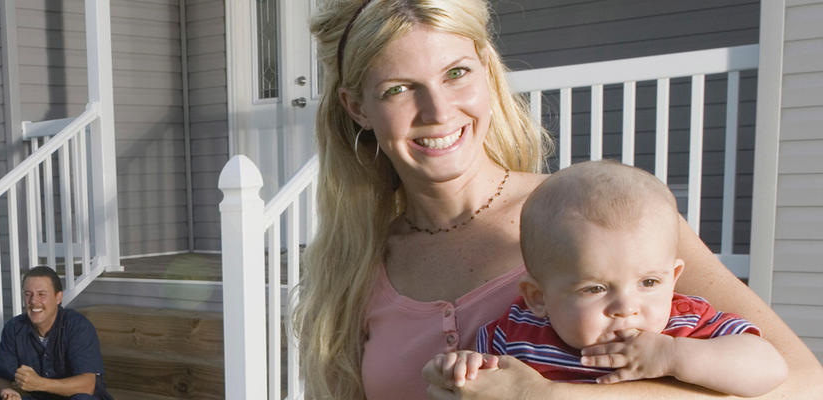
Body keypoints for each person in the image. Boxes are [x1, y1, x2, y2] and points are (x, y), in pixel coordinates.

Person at [295, 0, 823, 398]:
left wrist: (551, 397)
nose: (437, 110)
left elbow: (802, 384)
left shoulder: (603, 221)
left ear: (485, 69)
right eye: (398, 89)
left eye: (456, 73)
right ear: (356, 106)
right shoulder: (355, 266)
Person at [428, 161, 787, 397]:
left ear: (674, 277)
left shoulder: (685, 327)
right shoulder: (514, 335)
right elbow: (478, 385)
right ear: (538, 297)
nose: (626, 308)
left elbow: (770, 368)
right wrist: (461, 369)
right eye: (595, 288)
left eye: (649, 282)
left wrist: (675, 356)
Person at [0, 267, 111, 400]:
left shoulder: (77, 326)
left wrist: (39, 383)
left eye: (42, 294)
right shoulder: (14, 327)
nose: (33, 301)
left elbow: (87, 386)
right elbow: (0, 380)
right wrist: (8, 392)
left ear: (58, 297)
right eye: (28, 294)